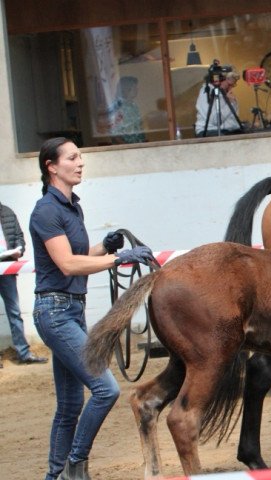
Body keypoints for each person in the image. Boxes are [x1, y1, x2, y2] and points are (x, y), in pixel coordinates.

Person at [29, 137, 155, 480]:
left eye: (80, 157)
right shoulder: (46, 211)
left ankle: (54, 477)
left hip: (70, 310)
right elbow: (67, 264)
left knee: (70, 406)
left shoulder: (72, 207)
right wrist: (119, 258)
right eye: (72, 158)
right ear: (51, 166)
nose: (80, 162)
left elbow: (79, 256)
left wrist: (105, 246)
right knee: (106, 390)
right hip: (55, 312)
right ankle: (75, 465)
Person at [0, 201, 48, 368]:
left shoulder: (7, 212)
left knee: (14, 311)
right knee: (14, 311)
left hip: (7, 268)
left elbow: (19, 236)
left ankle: (24, 353)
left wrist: (19, 249)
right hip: (6, 267)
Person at [195, 68, 243, 137]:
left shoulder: (226, 93)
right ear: (221, 80)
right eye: (229, 85)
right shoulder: (206, 92)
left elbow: (233, 120)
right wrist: (231, 104)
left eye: (233, 85)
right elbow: (216, 120)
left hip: (228, 130)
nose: (231, 88)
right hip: (210, 131)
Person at [109, 76, 146, 144]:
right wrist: (126, 147)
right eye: (134, 87)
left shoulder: (134, 106)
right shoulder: (117, 106)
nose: (137, 90)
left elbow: (139, 128)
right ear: (126, 89)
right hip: (126, 149)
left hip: (139, 147)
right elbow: (114, 134)